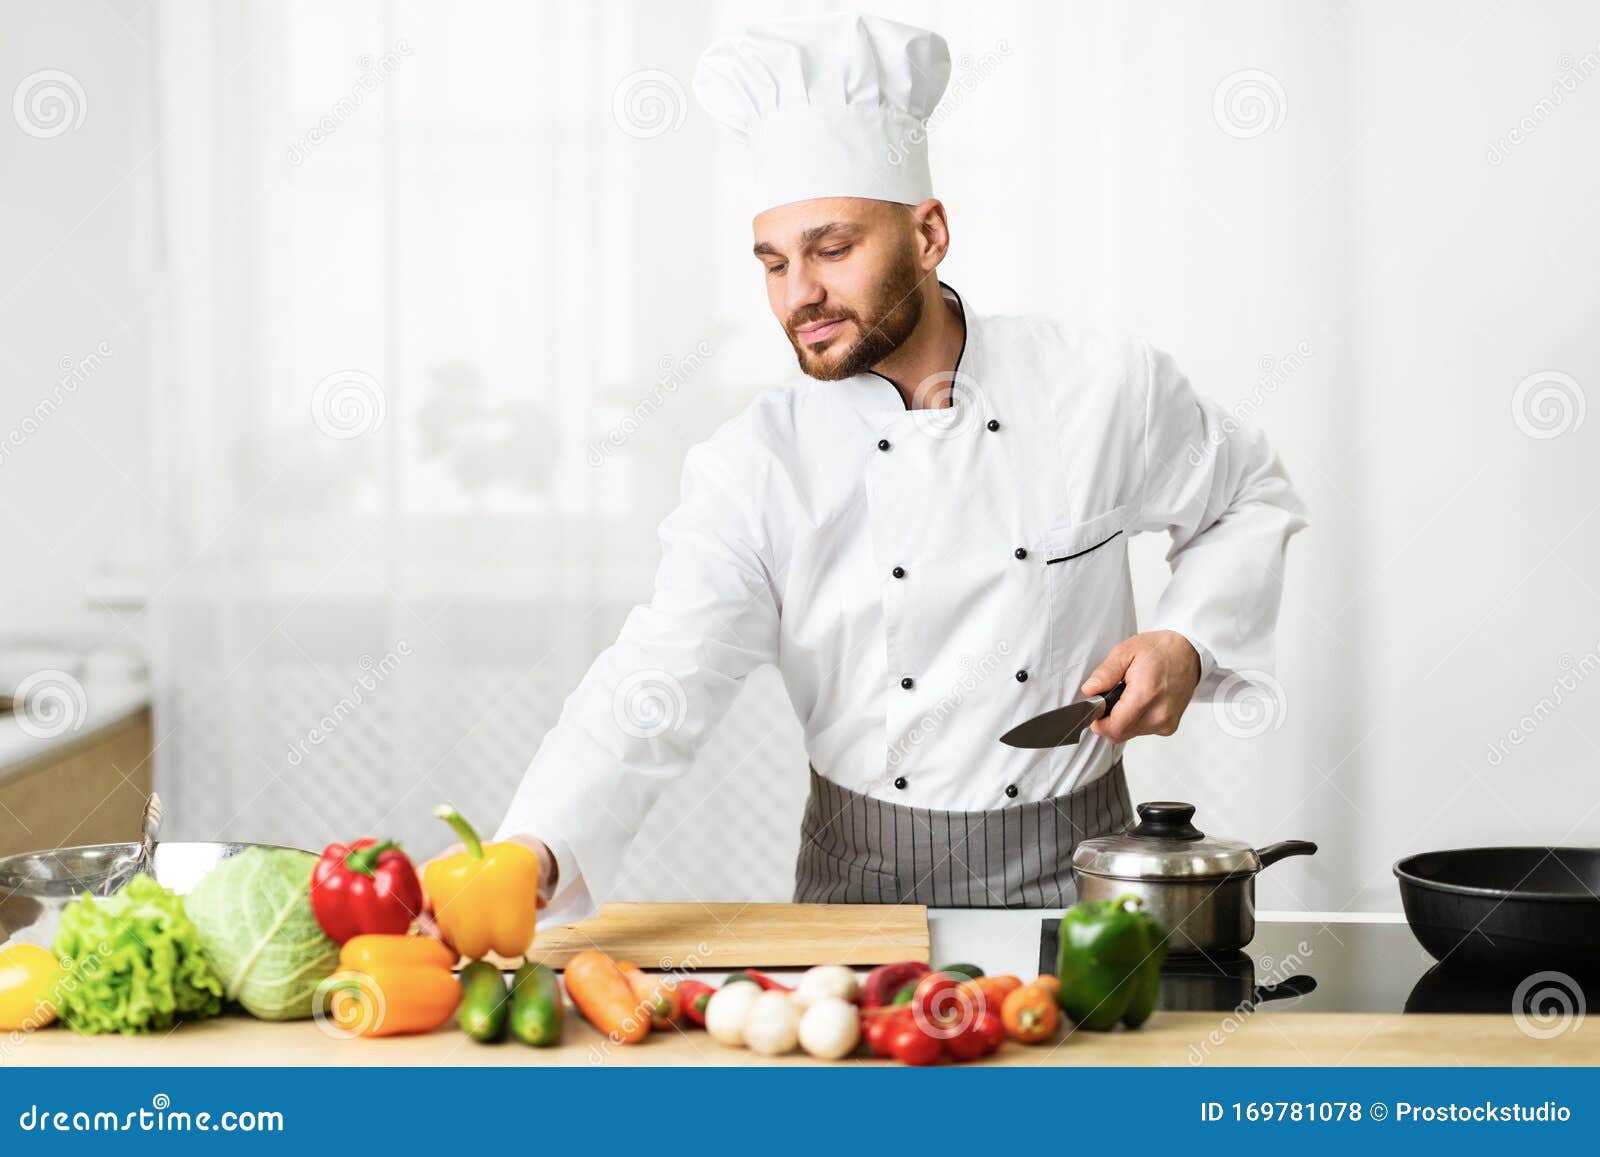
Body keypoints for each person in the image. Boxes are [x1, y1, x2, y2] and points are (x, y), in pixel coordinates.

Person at [489, 13, 1308, 928]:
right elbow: (660, 672)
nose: (799, 294)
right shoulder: (757, 464)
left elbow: (1247, 497)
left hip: (1084, 887)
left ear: (928, 234)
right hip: (855, 899)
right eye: (775, 262)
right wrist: (535, 845)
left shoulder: (1101, 386)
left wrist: (1186, 639)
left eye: (832, 249)